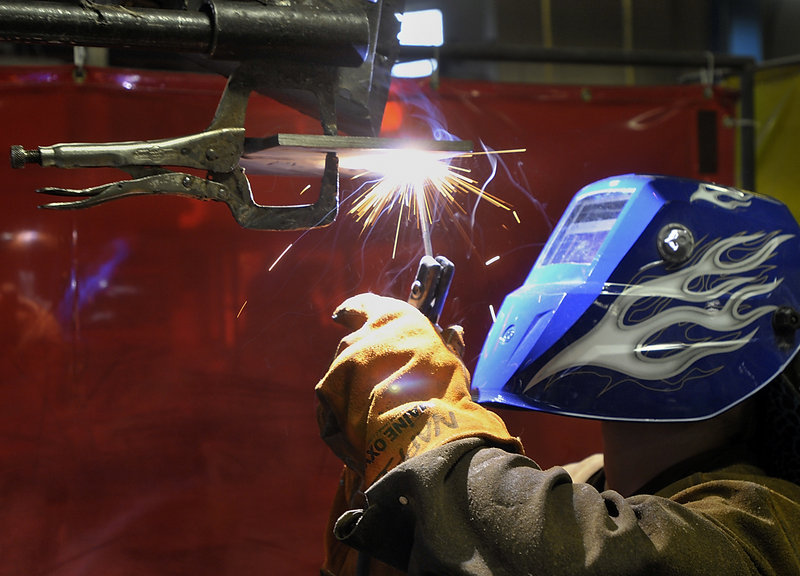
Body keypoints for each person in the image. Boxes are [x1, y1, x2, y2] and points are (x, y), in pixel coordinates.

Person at [315, 174, 800, 575]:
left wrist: (424, 425)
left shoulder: (770, 525)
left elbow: (578, 551)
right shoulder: (588, 479)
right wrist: (393, 483)